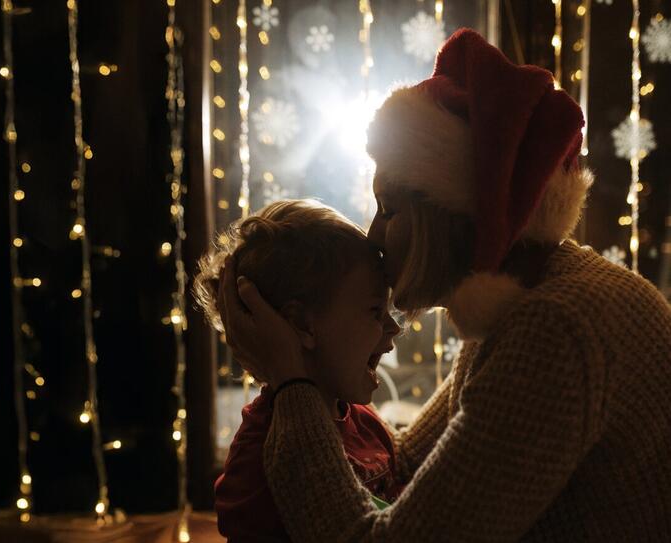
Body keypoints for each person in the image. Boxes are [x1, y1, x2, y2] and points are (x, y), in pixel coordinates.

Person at [215, 29, 671, 540]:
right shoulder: (526, 297)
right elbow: (410, 467)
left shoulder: (554, 329)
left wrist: (291, 382)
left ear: (446, 215)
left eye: (389, 209)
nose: (374, 236)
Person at [194, 199, 402, 541]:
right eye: (375, 311)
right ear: (301, 324)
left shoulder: (366, 422)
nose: (394, 328)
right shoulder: (259, 457)